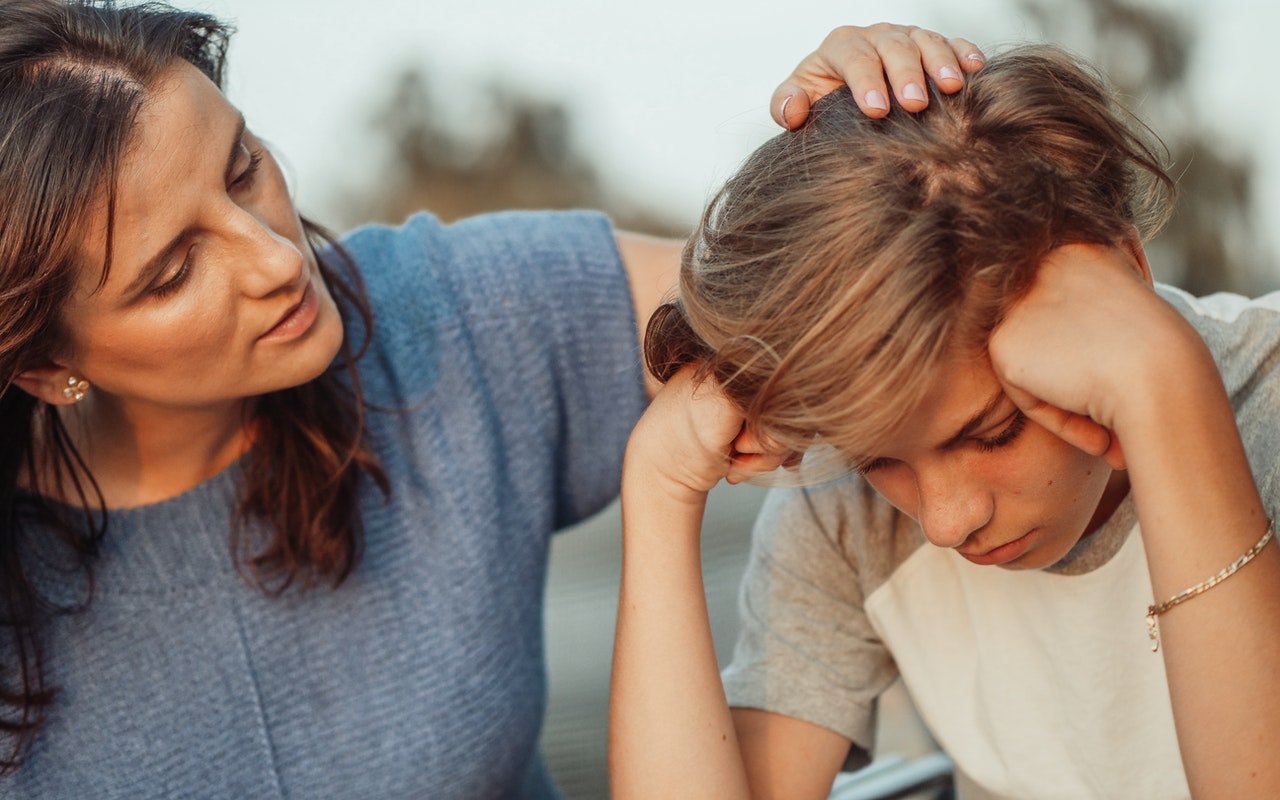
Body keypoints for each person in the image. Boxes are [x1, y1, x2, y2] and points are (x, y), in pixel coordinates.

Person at [0, 0, 988, 796]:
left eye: (243, 168)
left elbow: (842, 290)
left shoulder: (456, 314)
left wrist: (881, 149)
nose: (275, 257)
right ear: (45, 364)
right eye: (172, 270)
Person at [609, 44, 1280, 799]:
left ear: (1124, 273)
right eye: (878, 461)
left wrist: (1165, 388)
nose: (945, 521)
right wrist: (659, 489)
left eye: (992, 432)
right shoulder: (845, 516)